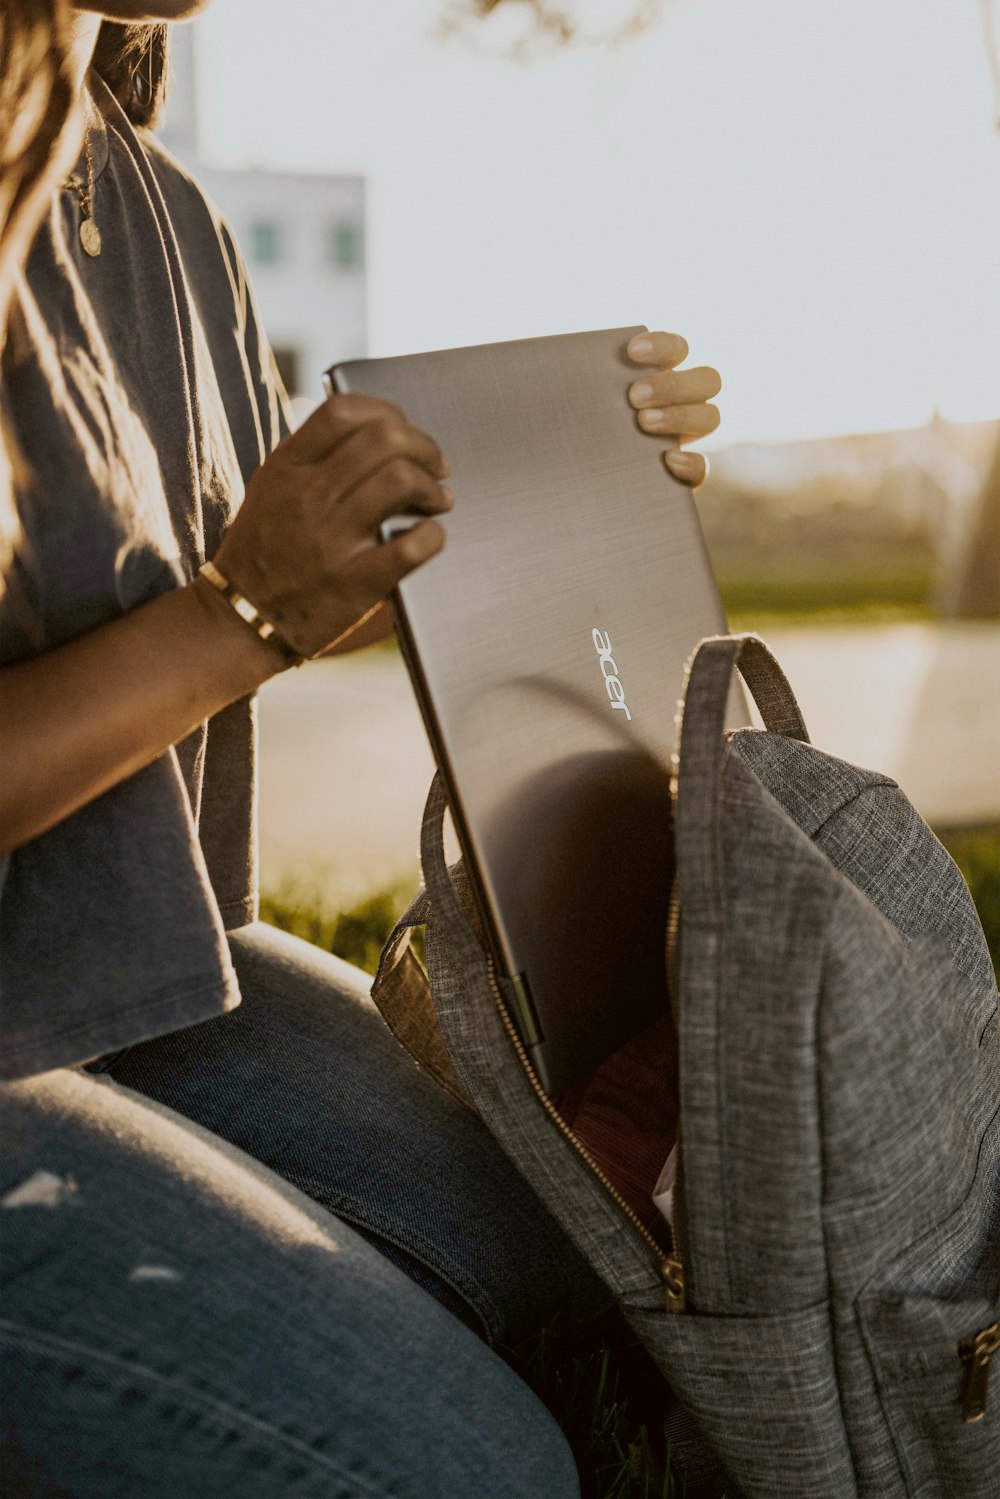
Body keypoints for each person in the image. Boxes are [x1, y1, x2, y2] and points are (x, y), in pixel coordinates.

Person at [0, 4, 723, 1493]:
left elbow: (221, 598)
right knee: (474, 1475)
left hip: (118, 959)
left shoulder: (153, 195)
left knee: (575, 1254)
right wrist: (243, 614)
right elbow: (223, 617)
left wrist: (562, 484)